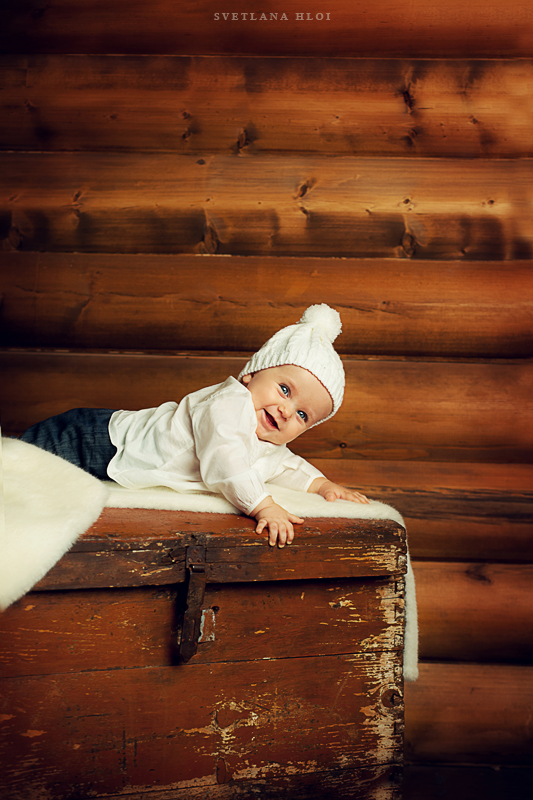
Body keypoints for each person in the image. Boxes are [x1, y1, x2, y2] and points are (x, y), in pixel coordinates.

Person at [21, 304, 369, 547]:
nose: (286, 410)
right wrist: (263, 505)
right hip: (97, 438)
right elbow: (225, 459)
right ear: (250, 375)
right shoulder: (228, 403)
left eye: (303, 415)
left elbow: (287, 465)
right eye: (284, 390)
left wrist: (322, 485)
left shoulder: (269, 439)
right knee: (23, 460)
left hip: (108, 447)